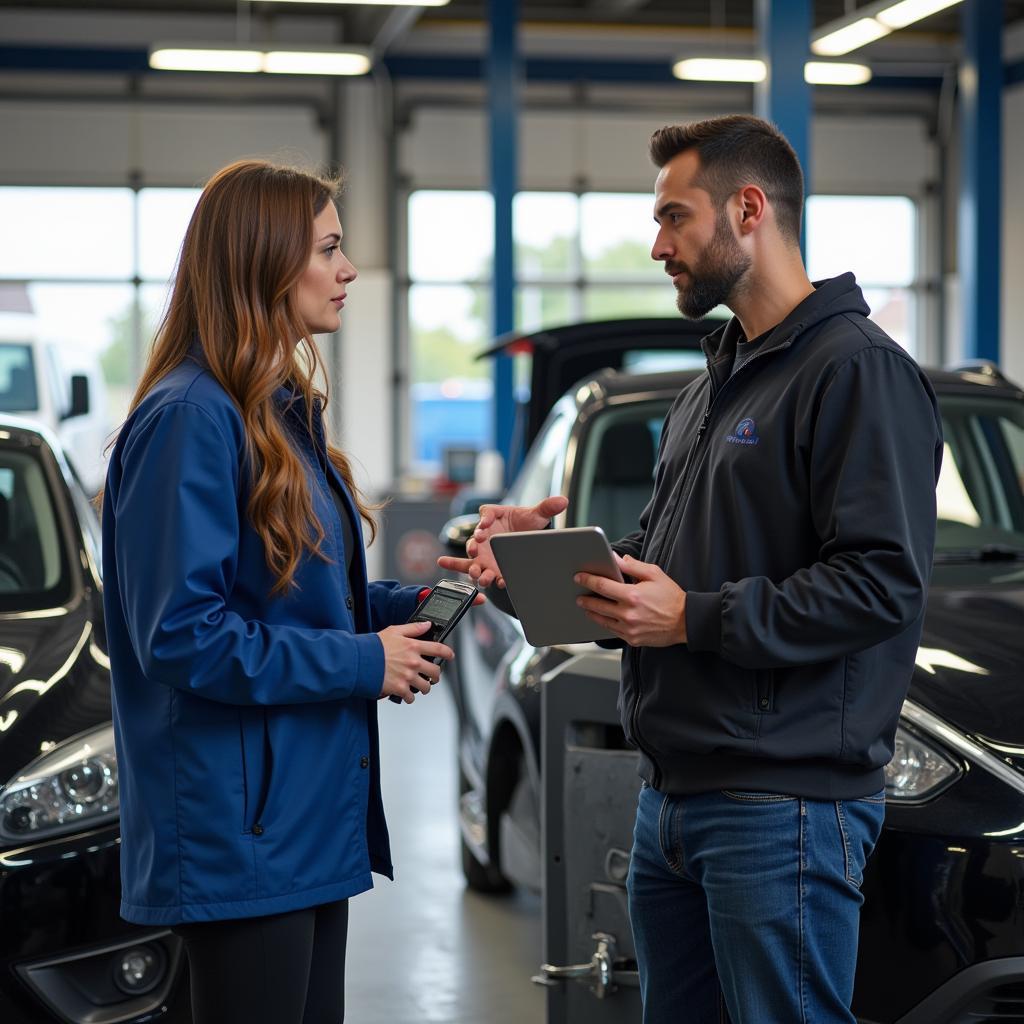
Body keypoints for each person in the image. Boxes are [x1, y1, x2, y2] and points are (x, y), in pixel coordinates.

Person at [440, 115, 943, 1023]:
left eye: (675, 217)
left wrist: (697, 619)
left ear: (749, 210)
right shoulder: (712, 385)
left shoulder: (856, 372)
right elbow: (655, 579)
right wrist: (526, 569)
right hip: (671, 799)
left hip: (780, 808)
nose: (657, 244)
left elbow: (881, 585)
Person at [101, 159, 464, 1024]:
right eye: (330, 250)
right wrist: (359, 663)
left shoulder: (275, 413)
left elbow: (303, 600)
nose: (347, 271)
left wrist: (438, 600)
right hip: (238, 839)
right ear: (263, 261)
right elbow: (182, 635)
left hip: (299, 826)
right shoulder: (191, 417)